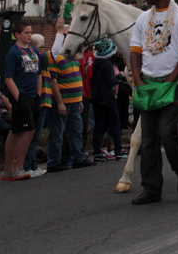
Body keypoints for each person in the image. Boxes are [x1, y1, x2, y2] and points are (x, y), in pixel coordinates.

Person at [129, 0, 178, 205]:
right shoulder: (143, 18)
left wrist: (170, 81)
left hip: (172, 85)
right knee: (148, 139)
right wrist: (137, 80)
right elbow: (135, 51)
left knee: (167, 133)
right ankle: (151, 188)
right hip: (147, 84)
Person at [46, 19, 91, 173]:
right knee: (57, 133)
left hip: (75, 101)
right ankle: (53, 161)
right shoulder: (56, 57)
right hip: (63, 102)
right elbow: (53, 81)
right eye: (64, 35)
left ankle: (78, 157)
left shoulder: (74, 57)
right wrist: (59, 103)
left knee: (76, 131)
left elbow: (77, 77)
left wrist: (79, 100)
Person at [1, 21, 44, 181]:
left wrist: (38, 94)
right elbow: (8, 78)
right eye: (26, 32)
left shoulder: (33, 51)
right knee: (27, 130)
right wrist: (19, 97)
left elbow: (38, 74)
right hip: (21, 95)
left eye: (30, 32)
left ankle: (9, 169)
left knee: (16, 130)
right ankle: (17, 166)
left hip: (33, 95)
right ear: (17, 35)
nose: (29, 35)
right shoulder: (13, 53)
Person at [90, 36, 126, 161]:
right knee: (115, 123)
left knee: (98, 125)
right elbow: (110, 82)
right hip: (108, 96)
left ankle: (97, 151)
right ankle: (118, 150)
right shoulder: (106, 64)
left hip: (95, 97)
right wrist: (120, 76)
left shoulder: (95, 63)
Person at [23, 34, 50, 178]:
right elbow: (56, 52)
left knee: (35, 136)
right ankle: (28, 165)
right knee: (31, 136)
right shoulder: (36, 57)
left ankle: (32, 164)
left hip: (44, 100)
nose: (44, 50)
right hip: (38, 101)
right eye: (42, 47)